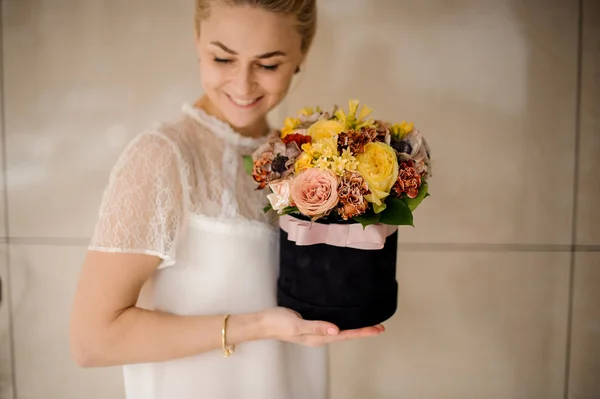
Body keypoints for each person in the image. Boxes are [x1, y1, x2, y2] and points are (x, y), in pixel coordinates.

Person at [69, 1, 384, 398]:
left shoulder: (309, 161)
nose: (243, 84)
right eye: (223, 58)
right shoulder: (162, 156)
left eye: (267, 65)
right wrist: (259, 328)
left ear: (303, 50)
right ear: (198, 40)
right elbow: (93, 340)